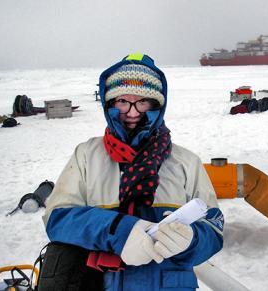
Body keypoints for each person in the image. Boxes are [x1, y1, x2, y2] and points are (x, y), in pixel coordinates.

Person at [42, 53, 224, 290]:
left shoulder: (185, 161)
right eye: (122, 101)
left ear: (157, 104)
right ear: (109, 104)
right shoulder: (87, 155)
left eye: (143, 101)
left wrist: (192, 241)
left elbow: (214, 225)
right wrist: (118, 231)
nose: (132, 112)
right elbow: (57, 219)